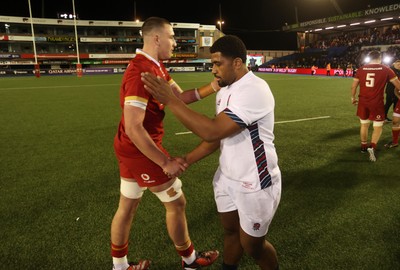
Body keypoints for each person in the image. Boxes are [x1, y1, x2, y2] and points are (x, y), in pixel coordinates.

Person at [142, 35, 281, 270]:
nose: (213, 70)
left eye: (218, 63)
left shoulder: (254, 89)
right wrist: (187, 159)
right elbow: (218, 137)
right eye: (212, 64)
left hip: (254, 181)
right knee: (229, 231)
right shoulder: (225, 90)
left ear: (237, 63)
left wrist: (172, 101)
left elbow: (213, 130)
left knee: (252, 246)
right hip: (227, 176)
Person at [111, 16, 219, 270]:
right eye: (171, 37)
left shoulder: (156, 67)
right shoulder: (141, 72)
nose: (175, 42)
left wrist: (214, 86)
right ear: (156, 38)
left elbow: (179, 97)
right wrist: (165, 161)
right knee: (177, 202)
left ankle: (119, 266)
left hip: (130, 147)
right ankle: (190, 261)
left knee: (127, 205)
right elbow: (134, 127)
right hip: (140, 149)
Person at [350, 50, 400, 162]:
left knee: (364, 125)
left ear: (368, 58)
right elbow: (398, 85)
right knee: (377, 126)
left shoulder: (361, 69)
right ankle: (372, 147)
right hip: (377, 103)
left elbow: (353, 87)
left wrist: (353, 98)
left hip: (363, 102)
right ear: (380, 58)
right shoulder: (386, 69)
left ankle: (363, 147)